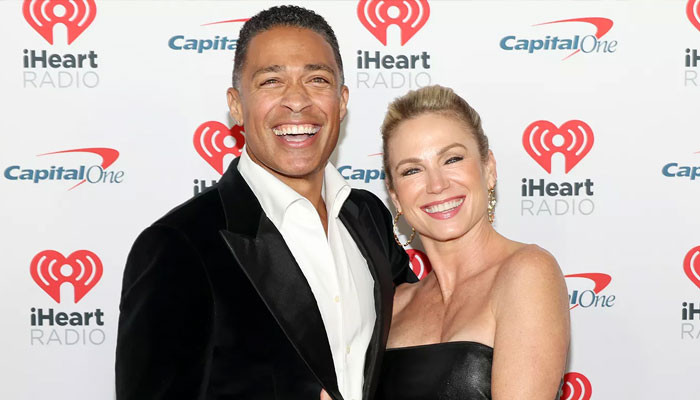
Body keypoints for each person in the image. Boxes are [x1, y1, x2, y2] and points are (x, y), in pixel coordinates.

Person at [115, 6, 416, 400]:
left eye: (317, 80)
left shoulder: (369, 217)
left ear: (342, 102)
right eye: (271, 81)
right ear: (236, 105)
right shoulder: (179, 246)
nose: (297, 101)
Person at [375, 85, 570, 399]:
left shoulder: (527, 273)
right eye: (412, 170)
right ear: (395, 196)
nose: (437, 184)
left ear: (488, 169)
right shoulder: (394, 306)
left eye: (452, 159)